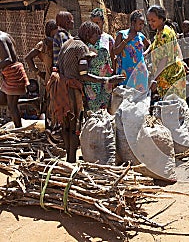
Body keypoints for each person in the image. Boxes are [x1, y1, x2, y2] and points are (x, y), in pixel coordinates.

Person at [47, 21, 125, 162]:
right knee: (74, 125)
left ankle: (68, 156)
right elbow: (83, 74)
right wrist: (107, 80)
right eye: (96, 36)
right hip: (71, 90)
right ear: (88, 34)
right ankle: (71, 160)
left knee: (65, 124)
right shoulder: (81, 47)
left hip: (60, 88)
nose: (96, 39)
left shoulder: (68, 43)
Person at [146, 5, 186, 99]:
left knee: (172, 105)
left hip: (171, 75)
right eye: (149, 20)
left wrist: (154, 79)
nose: (150, 23)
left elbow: (164, 60)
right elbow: (154, 43)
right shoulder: (160, 31)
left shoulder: (165, 34)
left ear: (161, 19)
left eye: (153, 20)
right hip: (167, 74)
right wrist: (146, 52)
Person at [81, 8, 115, 112]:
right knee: (93, 109)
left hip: (106, 80)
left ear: (103, 22)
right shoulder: (87, 40)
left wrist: (113, 77)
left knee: (105, 109)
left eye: (98, 23)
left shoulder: (108, 38)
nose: (95, 26)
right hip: (91, 80)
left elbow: (113, 58)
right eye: (93, 23)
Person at [114, 10, 150, 92]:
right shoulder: (122, 34)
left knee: (140, 97)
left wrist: (145, 53)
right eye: (140, 24)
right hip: (126, 72)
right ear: (133, 23)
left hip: (140, 72)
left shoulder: (141, 36)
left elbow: (149, 45)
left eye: (143, 24)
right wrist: (126, 40)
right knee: (126, 97)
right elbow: (115, 51)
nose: (142, 27)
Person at [0, 31, 29, 128]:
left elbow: (9, 59)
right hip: (10, 72)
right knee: (11, 103)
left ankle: (19, 129)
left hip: (13, 72)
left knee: (12, 106)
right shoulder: (5, 35)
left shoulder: (1, 39)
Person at [25, 20, 58, 85]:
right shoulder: (43, 45)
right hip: (51, 81)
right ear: (52, 30)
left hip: (62, 80)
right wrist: (39, 73)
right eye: (57, 29)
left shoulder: (60, 43)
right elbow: (28, 58)